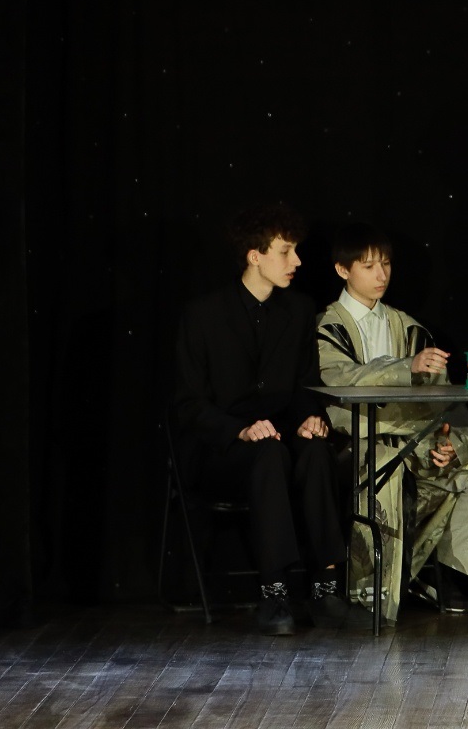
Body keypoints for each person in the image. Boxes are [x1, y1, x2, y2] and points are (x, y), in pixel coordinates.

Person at [315, 224, 468, 621]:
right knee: (387, 475)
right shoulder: (327, 327)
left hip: (421, 443)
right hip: (362, 444)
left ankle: (436, 572)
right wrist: (405, 367)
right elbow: (340, 378)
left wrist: (453, 442)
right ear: (343, 270)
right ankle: (373, 592)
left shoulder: (410, 327)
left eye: (386, 264)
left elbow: (447, 401)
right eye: (368, 266)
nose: (381, 275)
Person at [171, 203, 348, 635]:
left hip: (280, 439)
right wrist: (240, 429)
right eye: (285, 252)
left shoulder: (299, 310)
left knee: (316, 451)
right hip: (223, 449)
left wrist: (309, 418)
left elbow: (305, 385)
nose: (297, 261)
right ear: (255, 256)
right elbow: (188, 403)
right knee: (269, 454)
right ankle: (274, 590)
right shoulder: (204, 315)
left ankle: (326, 585)